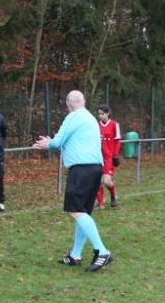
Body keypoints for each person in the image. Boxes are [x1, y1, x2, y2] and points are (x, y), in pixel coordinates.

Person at [33, 90, 114, 272]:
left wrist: (48, 143)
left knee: (75, 209)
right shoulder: (89, 118)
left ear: (68, 104)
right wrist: (53, 142)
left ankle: (102, 251)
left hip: (82, 169)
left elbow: (58, 141)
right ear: (83, 101)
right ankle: (75, 255)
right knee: (83, 211)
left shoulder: (73, 117)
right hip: (94, 168)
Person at [96, 104, 121, 209]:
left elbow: (117, 141)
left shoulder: (114, 124)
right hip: (97, 157)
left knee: (106, 181)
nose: (100, 116)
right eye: (99, 114)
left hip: (108, 157)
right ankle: (101, 204)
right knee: (97, 181)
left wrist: (115, 155)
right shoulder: (96, 125)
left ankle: (113, 194)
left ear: (108, 113)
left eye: (102, 114)